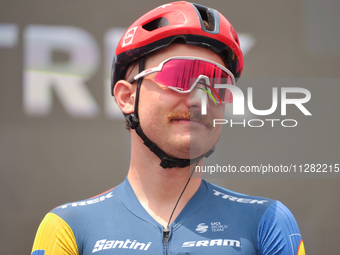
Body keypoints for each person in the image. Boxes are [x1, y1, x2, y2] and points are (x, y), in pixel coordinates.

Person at [31, 1, 305, 254]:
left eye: (217, 84)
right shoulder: (68, 227)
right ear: (127, 97)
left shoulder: (267, 222)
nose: (200, 99)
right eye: (180, 75)